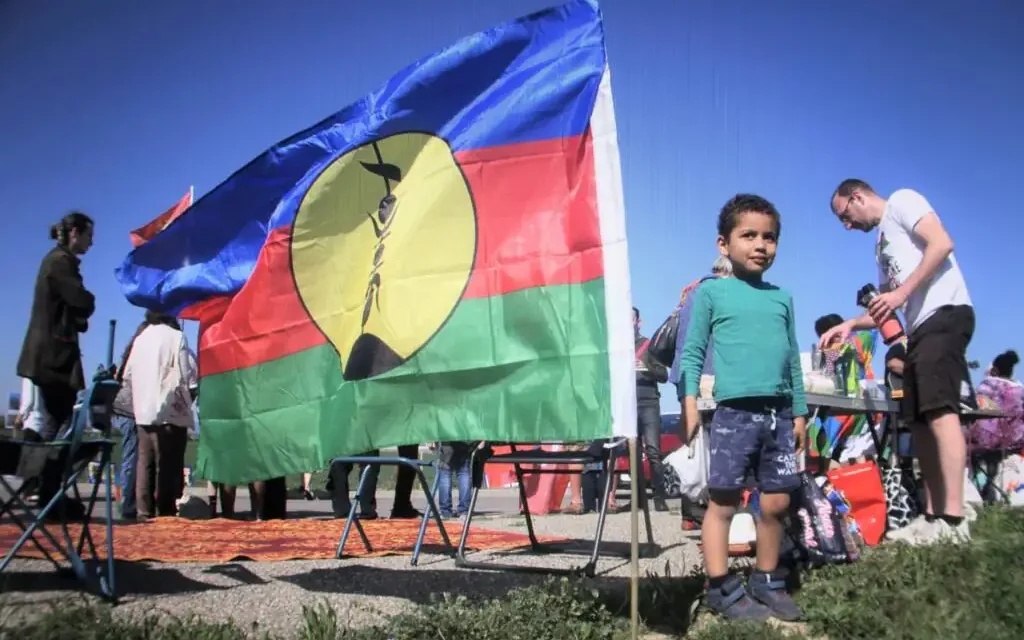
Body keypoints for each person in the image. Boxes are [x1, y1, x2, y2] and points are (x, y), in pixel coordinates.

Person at [820, 180, 974, 544]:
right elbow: (886, 305)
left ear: (857, 197)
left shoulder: (904, 201)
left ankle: (955, 518)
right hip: (918, 328)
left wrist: (903, 293)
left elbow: (941, 243)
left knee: (940, 412)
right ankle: (933, 515)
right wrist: (851, 324)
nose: (847, 225)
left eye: (845, 214)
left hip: (945, 312)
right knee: (917, 419)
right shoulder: (880, 244)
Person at [680, 194, 806, 622]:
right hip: (734, 416)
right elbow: (693, 353)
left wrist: (800, 411)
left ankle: (766, 578)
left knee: (775, 504)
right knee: (724, 502)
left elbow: (792, 359)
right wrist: (689, 403)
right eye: (748, 235)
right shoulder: (711, 293)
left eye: (769, 237)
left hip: (779, 416)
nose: (760, 245)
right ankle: (719, 586)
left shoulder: (782, 299)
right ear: (723, 244)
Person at [16, 212, 96, 519]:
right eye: (89, 235)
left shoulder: (58, 262)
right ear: (74, 233)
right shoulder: (60, 263)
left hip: (52, 356)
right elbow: (81, 301)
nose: (92, 241)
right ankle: (47, 493)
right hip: (53, 358)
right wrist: (86, 303)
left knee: (55, 422)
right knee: (59, 426)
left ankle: (45, 490)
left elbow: (76, 310)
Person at [670, 255, 732, 529]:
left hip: (693, 378)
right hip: (706, 380)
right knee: (710, 446)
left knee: (697, 445)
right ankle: (706, 514)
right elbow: (692, 346)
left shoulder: (691, 291)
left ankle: (692, 514)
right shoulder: (710, 292)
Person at [122, 311, 197, 520]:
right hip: (168, 409)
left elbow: (127, 374)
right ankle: (165, 511)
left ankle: (143, 510)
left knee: (145, 461)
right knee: (168, 463)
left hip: (143, 409)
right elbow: (185, 374)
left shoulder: (141, 338)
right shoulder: (176, 337)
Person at [111, 319, 150, 520]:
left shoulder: (129, 355)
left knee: (130, 456)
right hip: (131, 410)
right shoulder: (142, 354)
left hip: (123, 408)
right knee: (133, 457)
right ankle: (127, 503)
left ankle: (127, 501)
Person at [634, 307, 670, 511]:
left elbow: (663, 375)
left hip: (649, 402)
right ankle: (639, 499)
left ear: (639, 322)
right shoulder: (618, 346)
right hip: (628, 404)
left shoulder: (649, 345)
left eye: (631, 319)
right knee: (633, 452)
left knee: (654, 451)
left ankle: (659, 497)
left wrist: (645, 369)